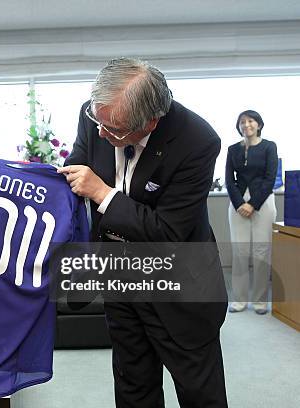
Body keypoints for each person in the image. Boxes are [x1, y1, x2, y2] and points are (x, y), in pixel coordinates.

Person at [59, 58, 228, 408]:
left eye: (115, 130)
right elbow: (77, 168)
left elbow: (168, 231)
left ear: (151, 121)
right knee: (134, 385)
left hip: (179, 284)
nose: (103, 135)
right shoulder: (98, 116)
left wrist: (103, 193)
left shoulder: (198, 141)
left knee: (200, 393)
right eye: (99, 123)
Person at [226, 110, 278, 314]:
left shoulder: (269, 147)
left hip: (263, 202)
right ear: (238, 127)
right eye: (242, 122)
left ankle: (260, 301)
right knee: (239, 252)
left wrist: (253, 204)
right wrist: (240, 203)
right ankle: (238, 300)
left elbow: (270, 177)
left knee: (261, 252)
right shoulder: (232, 150)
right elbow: (229, 180)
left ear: (258, 124)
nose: (246, 125)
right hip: (237, 203)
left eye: (251, 121)